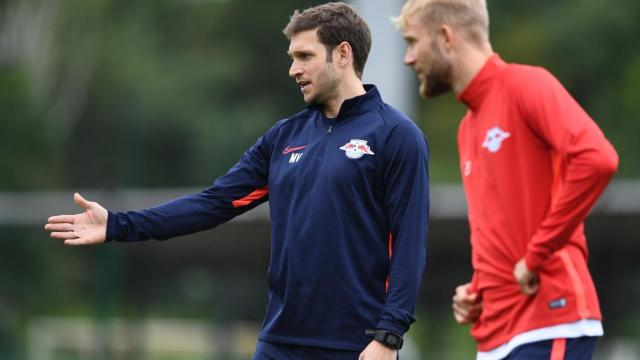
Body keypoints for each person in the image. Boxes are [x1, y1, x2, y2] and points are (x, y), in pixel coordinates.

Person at [45, 3, 430, 360]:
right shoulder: (283, 138)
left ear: (343, 54)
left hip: (355, 345)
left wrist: (388, 335)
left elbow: (410, 243)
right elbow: (213, 203)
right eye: (293, 58)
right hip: (279, 342)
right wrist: (118, 225)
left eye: (305, 57)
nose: (294, 69)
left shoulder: (396, 136)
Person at [395, 0, 618, 359]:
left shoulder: (526, 84)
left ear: (446, 36)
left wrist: (535, 257)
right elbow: (505, 225)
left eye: (412, 41)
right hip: (496, 335)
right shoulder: (467, 127)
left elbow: (598, 159)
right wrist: (480, 288)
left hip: (550, 321)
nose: (408, 58)